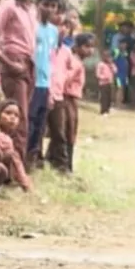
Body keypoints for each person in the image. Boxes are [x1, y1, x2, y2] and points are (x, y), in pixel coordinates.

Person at [0, 0, 40, 158]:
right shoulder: (8, 6)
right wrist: (7, 62)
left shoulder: (33, 10)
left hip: (29, 64)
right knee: (14, 116)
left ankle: (16, 161)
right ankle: (12, 162)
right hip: (13, 62)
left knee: (23, 115)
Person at [48, 33, 96, 172]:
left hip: (71, 99)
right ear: (77, 46)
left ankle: (58, 162)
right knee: (67, 131)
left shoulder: (78, 62)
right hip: (67, 98)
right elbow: (65, 79)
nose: (90, 50)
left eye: (92, 47)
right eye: (87, 46)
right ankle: (63, 164)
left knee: (67, 131)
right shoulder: (74, 63)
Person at [26, 0, 62, 167]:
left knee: (40, 125)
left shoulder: (54, 31)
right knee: (28, 121)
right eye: (45, 4)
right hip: (30, 81)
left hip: (45, 83)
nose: (48, 9)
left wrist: (52, 88)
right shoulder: (31, 25)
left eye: (53, 6)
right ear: (37, 3)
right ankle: (21, 159)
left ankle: (32, 159)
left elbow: (52, 59)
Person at [0, 101, 33, 191]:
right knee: (12, 154)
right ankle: (24, 183)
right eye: (8, 113)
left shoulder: (7, 135)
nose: (12, 117)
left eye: (16, 115)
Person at [97, 49, 116, 115]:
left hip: (110, 83)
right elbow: (98, 74)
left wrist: (111, 65)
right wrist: (105, 77)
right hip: (103, 83)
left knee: (109, 97)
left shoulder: (111, 64)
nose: (108, 58)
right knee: (104, 97)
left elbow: (115, 71)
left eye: (109, 56)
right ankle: (103, 111)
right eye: (106, 56)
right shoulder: (100, 64)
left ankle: (108, 109)